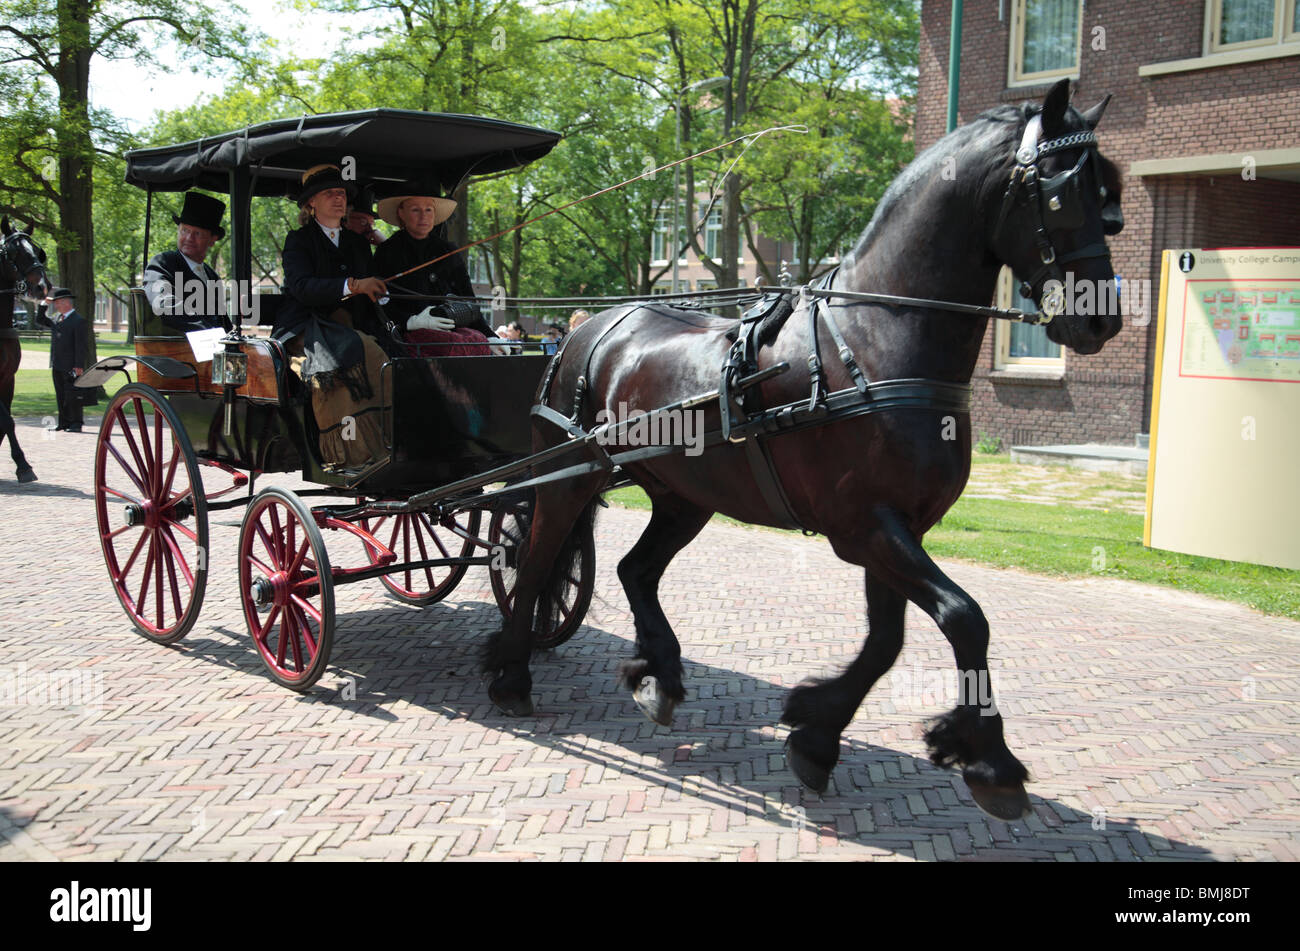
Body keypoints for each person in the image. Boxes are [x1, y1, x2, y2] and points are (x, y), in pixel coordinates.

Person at [273, 164, 391, 472]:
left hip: (350, 327)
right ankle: (348, 455)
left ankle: (388, 444)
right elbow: (301, 288)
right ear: (311, 202)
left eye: (341, 193)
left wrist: (380, 294)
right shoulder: (298, 240)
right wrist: (352, 285)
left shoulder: (355, 243)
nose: (338, 199)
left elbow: (370, 289)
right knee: (345, 365)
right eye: (329, 193)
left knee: (391, 357)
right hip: (305, 327)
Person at [143, 191, 231, 334]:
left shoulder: (212, 276)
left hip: (212, 350)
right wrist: (207, 330)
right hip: (174, 350)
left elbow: (223, 323)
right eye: (184, 230)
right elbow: (165, 303)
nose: (189, 238)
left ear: (212, 240)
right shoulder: (163, 263)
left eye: (197, 233)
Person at [37, 288, 87, 432]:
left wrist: (78, 365)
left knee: (73, 395)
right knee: (61, 394)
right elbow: (39, 319)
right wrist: (43, 304)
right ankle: (63, 423)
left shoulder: (78, 321)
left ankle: (76, 423)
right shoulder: (57, 319)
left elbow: (80, 345)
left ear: (66, 303)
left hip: (71, 365)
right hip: (57, 364)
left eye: (58, 303)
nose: (56, 306)